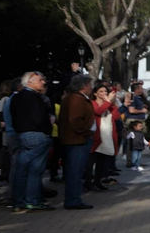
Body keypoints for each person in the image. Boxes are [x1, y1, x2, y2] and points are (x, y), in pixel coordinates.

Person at [9, 72, 53, 211]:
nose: (43, 82)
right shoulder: (34, 97)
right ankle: (32, 201)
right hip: (37, 135)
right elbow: (39, 118)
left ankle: (19, 202)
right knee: (35, 171)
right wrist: (47, 129)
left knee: (21, 170)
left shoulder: (16, 97)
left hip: (22, 135)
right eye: (40, 80)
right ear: (29, 82)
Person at [56, 74, 95, 209]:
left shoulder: (74, 98)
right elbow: (75, 120)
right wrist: (87, 132)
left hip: (76, 139)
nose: (91, 88)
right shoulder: (76, 99)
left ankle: (73, 199)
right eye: (89, 85)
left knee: (75, 171)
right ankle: (73, 200)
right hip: (77, 140)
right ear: (84, 86)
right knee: (75, 172)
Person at [90, 84, 118, 188]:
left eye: (105, 91)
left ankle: (98, 181)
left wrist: (111, 103)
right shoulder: (92, 103)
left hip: (107, 134)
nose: (104, 93)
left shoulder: (108, 104)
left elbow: (116, 116)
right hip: (97, 134)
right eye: (101, 91)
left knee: (102, 160)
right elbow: (98, 111)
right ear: (95, 93)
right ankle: (88, 182)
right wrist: (108, 101)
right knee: (92, 159)